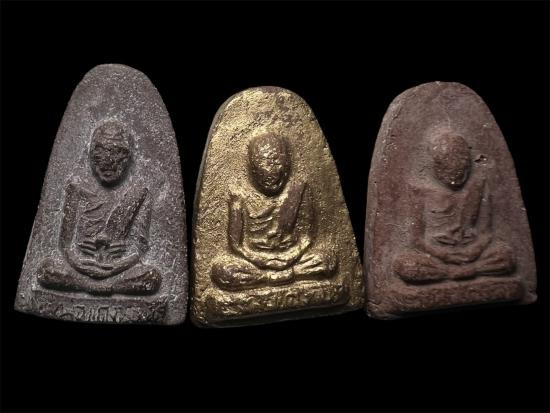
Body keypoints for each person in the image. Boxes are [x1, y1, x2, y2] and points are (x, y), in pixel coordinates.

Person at [38, 121, 161, 295]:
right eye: (100, 155)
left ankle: (95, 287)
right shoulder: (76, 188)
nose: (108, 162)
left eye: (116, 154)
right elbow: (65, 245)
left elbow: (139, 247)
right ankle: (92, 287)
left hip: (118, 269)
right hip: (80, 267)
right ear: (91, 156)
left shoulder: (140, 193)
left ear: (128, 159)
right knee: (47, 270)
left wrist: (116, 265)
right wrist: (78, 261)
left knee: (151, 277)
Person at [211, 133, 336, 291]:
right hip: (254, 262)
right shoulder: (239, 195)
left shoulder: (299, 189)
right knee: (223, 271)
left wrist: (292, 255)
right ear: (252, 167)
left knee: (327, 260)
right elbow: (236, 244)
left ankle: (275, 277)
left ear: (287, 163)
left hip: (293, 257)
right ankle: (278, 277)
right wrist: (261, 260)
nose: (271, 170)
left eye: (276, 162)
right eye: (263, 162)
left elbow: (307, 237)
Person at [393, 130, 515, 284]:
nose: (456, 177)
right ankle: (451, 273)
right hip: (436, 256)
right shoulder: (420, 193)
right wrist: (444, 255)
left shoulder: (479, 186)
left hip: (472, 253)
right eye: (447, 169)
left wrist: (474, 251)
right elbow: (416, 239)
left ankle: (468, 271)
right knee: (405, 264)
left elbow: (486, 233)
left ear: (469, 165)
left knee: (506, 256)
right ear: (434, 166)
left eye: (462, 169)